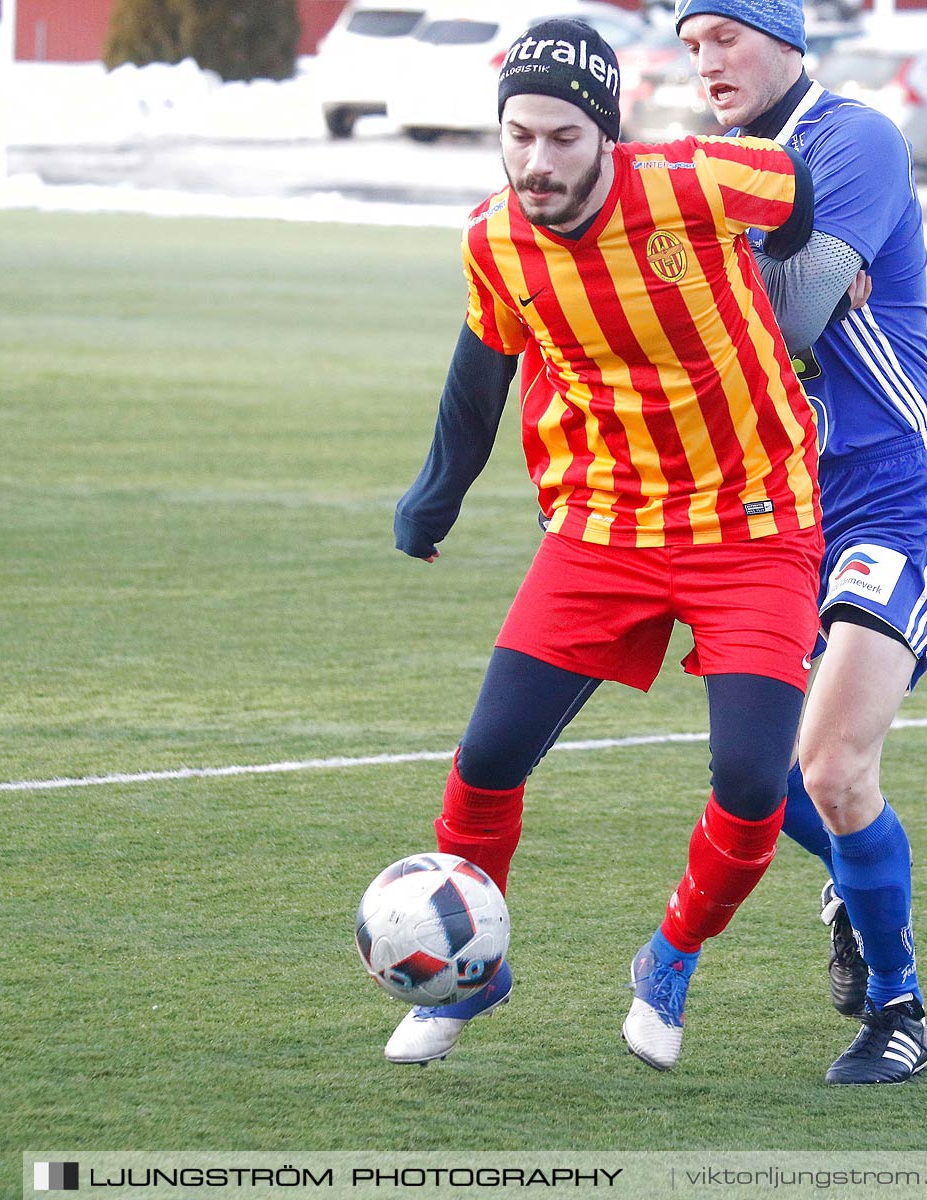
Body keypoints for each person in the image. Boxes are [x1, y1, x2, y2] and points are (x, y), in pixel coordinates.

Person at [387, 18, 824, 1073]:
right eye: (520, 137)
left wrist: (799, 275)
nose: (537, 162)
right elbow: (481, 363)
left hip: (754, 523)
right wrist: (435, 496)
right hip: (605, 529)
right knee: (488, 758)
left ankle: (670, 956)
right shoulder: (494, 237)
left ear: (608, 135)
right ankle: (469, 977)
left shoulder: (694, 184)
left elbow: (795, 196)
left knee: (756, 777)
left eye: (563, 140)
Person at [674, 0, 927, 1085]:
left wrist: (736, 294)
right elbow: (693, 333)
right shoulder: (710, 166)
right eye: (693, 45)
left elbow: (792, 318)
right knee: (759, 778)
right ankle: (853, 878)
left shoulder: (849, 138)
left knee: (836, 764)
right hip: (767, 509)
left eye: (727, 37)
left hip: (890, 489)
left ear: (787, 39)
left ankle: (900, 1012)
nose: (707, 61)